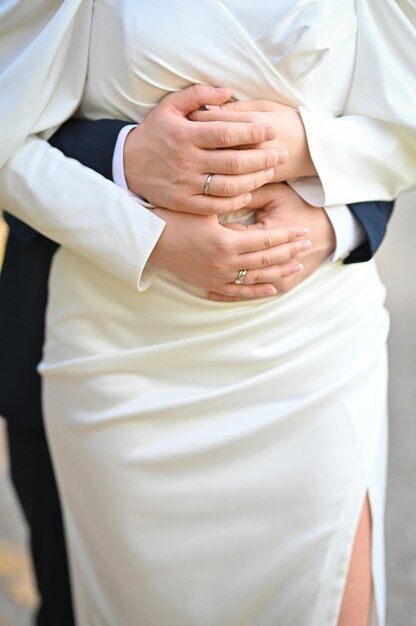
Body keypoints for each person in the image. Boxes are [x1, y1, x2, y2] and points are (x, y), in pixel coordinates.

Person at [0, 2, 414, 625]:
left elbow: (403, 119)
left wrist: (311, 159)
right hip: (123, 360)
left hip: (310, 355)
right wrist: (147, 231)